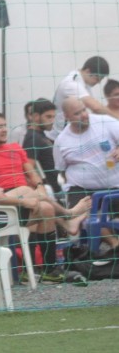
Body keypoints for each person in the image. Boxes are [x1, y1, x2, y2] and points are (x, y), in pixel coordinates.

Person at [0, 111, 89, 282]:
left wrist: (40, 188)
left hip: (28, 196)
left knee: (47, 209)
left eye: (5, 125)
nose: (4, 129)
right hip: (5, 199)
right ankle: (67, 214)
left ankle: (49, 271)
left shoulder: (15, 147)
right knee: (25, 189)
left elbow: (32, 173)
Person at [54, 96, 119, 251]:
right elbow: (61, 171)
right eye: (77, 113)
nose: (84, 115)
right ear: (67, 117)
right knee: (88, 217)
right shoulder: (62, 141)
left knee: (105, 217)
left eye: (84, 110)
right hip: (82, 189)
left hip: (115, 185)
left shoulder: (105, 121)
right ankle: (115, 245)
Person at [48, 56, 116, 141]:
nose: (98, 82)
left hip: (73, 135)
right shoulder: (71, 83)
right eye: (97, 79)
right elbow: (96, 107)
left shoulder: (84, 84)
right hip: (58, 138)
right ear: (87, 71)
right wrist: (116, 119)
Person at [23, 98, 62, 193]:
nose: (52, 120)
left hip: (58, 187)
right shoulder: (32, 138)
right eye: (48, 117)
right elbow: (28, 169)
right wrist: (42, 189)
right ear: (36, 116)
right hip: (50, 192)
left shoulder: (41, 135)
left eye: (53, 117)